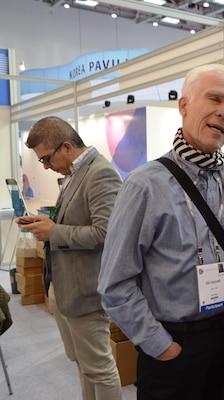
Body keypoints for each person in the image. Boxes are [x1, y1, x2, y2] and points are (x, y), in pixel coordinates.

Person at [97, 64, 224, 400]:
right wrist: (161, 346)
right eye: (215, 99)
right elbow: (114, 282)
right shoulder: (145, 185)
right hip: (172, 343)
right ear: (184, 106)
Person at [16, 116, 123, 400]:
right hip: (66, 288)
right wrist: (45, 222)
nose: (47, 167)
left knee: (100, 369)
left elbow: (107, 232)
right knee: (84, 364)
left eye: (46, 159)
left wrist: (55, 232)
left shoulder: (100, 173)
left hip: (86, 292)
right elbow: (76, 221)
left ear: (66, 146)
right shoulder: (77, 173)